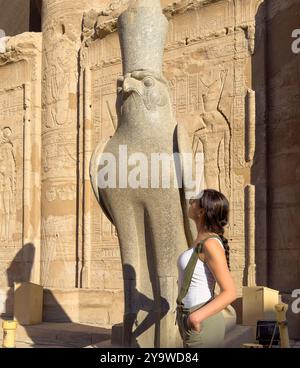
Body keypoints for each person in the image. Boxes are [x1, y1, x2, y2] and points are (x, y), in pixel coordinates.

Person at [176, 189, 237, 348]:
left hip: (201, 321)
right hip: (191, 318)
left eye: (194, 200)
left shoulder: (210, 244)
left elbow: (230, 292)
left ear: (201, 211)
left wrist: (196, 317)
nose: (190, 202)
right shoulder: (201, 241)